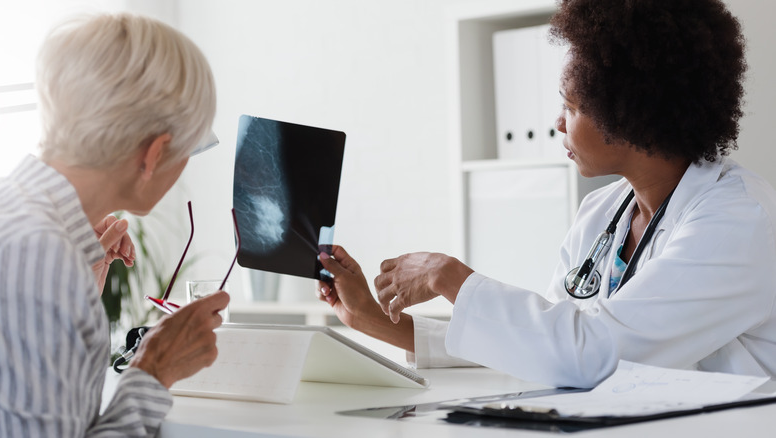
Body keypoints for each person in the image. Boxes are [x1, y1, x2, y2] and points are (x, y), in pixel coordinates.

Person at [317, 0, 776, 389]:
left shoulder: (740, 220)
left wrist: (448, 276)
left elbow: (587, 354)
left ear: (633, 112)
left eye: (571, 105)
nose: (558, 122)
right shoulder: (602, 212)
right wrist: (372, 323)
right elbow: (540, 348)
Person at [0, 13, 229, 436]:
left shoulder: (17, 220)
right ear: (154, 154)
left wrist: (75, 291)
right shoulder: (42, 259)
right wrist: (154, 370)